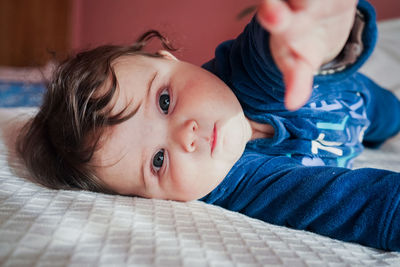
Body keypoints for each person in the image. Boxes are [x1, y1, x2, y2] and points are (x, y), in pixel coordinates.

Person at [17, 0, 400, 251]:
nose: (186, 135)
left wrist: (314, 33)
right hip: (347, 137)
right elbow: (346, 202)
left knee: (392, 115)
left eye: (165, 101)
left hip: (358, 97)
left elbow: (266, 52)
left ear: (169, 59)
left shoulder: (246, 75)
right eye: (158, 161)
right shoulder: (242, 187)